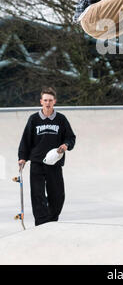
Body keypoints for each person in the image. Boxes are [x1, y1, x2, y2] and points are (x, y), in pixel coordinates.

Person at [18, 87, 76, 226]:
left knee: (57, 196)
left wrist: (66, 145)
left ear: (54, 101)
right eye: (45, 100)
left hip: (54, 163)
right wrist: (22, 157)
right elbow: (26, 140)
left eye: (50, 100)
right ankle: (41, 223)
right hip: (37, 163)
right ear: (41, 101)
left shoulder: (61, 119)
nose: (48, 103)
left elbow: (70, 137)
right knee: (37, 195)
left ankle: (52, 219)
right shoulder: (34, 119)